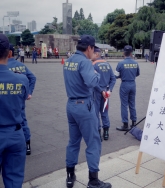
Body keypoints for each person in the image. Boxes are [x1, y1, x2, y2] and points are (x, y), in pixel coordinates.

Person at [63, 35, 111, 188]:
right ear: (89, 48)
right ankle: (93, 180)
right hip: (84, 106)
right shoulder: (85, 62)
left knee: (73, 142)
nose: (94, 52)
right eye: (93, 49)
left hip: (71, 105)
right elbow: (91, 81)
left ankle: (70, 176)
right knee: (93, 142)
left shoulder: (69, 61)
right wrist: (96, 74)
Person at [0, 33, 29, 187]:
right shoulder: (21, 79)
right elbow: (22, 101)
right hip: (16, 135)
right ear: (10, 53)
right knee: (14, 182)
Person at [7, 44, 36, 155]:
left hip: (6, 97)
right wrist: (28, 92)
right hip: (19, 97)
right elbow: (32, 77)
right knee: (22, 119)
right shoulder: (21, 65)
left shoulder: (3, 66)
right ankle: (27, 144)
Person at [92, 47, 116, 141]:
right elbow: (113, 79)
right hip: (106, 92)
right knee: (104, 112)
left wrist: (101, 91)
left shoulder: (93, 65)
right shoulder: (107, 64)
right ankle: (106, 133)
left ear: (96, 54)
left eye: (92, 54)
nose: (90, 56)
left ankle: (98, 133)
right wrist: (109, 90)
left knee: (96, 113)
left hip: (97, 92)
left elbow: (93, 81)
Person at [116, 45, 140, 131]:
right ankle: (133, 123)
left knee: (124, 104)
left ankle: (125, 124)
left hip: (125, 84)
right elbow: (137, 73)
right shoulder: (135, 63)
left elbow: (116, 75)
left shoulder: (120, 63)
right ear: (131, 53)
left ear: (123, 53)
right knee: (132, 103)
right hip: (133, 84)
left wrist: (122, 76)